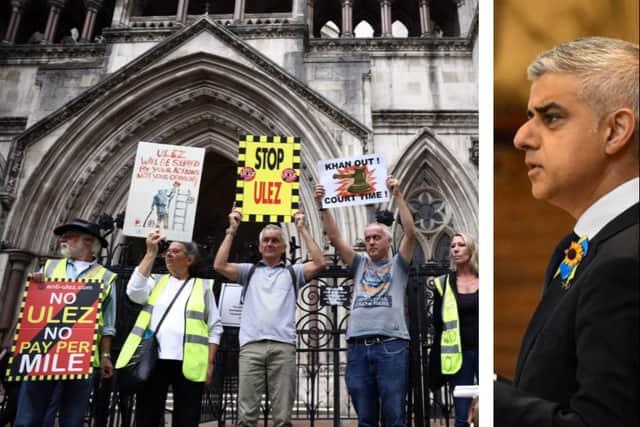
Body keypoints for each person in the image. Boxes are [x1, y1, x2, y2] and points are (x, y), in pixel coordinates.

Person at [494, 37, 639, 426]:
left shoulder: (626, 261)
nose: (523, 136)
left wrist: (493, 397)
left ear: (615, 130)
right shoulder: (585, 246)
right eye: (528, 116)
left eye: (551, 117)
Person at [314, 175, 417, 426]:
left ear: (388, 241)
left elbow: (411, 233)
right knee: (366, 418)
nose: (370, 242)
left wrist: (399, 196)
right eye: (368, 238)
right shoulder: (359, 264)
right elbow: (336, 239)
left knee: (394, 416)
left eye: (376, 237)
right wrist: (322, 205)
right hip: (358, 347)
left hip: (391, 346)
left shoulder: (398, 266)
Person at [213, 208, 326, 426]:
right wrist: (232, 230)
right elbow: (219, 265)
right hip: (251, 347)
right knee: (246, 416)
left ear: (283, 247)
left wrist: (302, 228)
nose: (270, 244)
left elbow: (320, 263)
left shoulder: (294, 272)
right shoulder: (249, 271)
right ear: (259, 246)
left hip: (283, 347)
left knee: (282, 417)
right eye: (265, 240)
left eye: (275, 240)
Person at [14, 218, 117, 427]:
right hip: (43, 350)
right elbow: (33, 307)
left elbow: (108, 323)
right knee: (28, 415)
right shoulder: (49, 267)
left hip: (80, 354)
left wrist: (105, 356)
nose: (62, 240)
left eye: (69, 236)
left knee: (73, 417)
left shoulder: (106, 277)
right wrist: (35, 284)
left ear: (88, 241)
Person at [115, 230, 223, 427]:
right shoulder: (156, 281)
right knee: (147, 416)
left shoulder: (203, 287)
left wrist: (210, 364)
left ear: (189, 259)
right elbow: (133, 292)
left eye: (175, 251)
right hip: (153, 359)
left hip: (188, 362)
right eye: (168, 251)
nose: (169, 254)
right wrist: (150, 253)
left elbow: (214, 328)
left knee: (187, 417)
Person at [431, 232, 479, 427]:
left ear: (471, 249)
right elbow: (437, 322)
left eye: (461, 245)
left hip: (486, 352)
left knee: (493, 407)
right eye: (452, 246)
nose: (456, 249)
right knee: (461, 414)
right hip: (458, 355)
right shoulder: (442, 283)